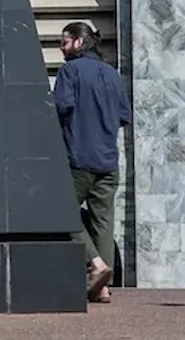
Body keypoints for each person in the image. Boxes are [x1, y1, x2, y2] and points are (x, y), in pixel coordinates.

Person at [52, 21, 131, 303]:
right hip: (109, 161)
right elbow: (124, 115)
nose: (61, 48)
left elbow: (60, 107)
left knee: (59, 210)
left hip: (78, 157)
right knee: (103, 223)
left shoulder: (70, 71)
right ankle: (102, 288)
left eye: (63, 42)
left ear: (78, 43)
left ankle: (96, 265)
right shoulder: (112, 74)